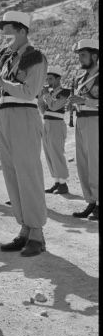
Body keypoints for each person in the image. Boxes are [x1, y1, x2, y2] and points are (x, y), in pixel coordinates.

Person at [0, 11, 48, 257]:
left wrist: (1, 82)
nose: (5, 36)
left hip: (24, 116)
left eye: (9, 30)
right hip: (5, 115)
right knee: (12, 174)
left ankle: (37, 232)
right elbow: (1, 92)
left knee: (28, 174)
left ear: (23, 31)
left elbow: (29, 92)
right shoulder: (6, 58)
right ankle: (25, 228)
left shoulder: (36, 57)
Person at [69, 39, 99, 221]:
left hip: (95, 122)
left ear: (95, 56)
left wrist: (85, 102)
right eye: (79, 55)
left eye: (83, 55)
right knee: (83, 164)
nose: (80, 59)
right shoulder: (81, 79)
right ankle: (91, 201)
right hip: (81, 122)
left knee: (96, 164)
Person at [38, 66, 70, 195]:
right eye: (47, 79)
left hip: (57, 124)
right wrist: (40, 98)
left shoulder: (65, 92)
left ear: (58, 78)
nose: (48, 81)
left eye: (50, 79)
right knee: (49, 154)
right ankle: (57, 182)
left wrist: (46, 95)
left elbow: (55, 106)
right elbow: (44, 110)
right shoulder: (49, 93)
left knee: (56, 153)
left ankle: (63, 184)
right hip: (47, 123)